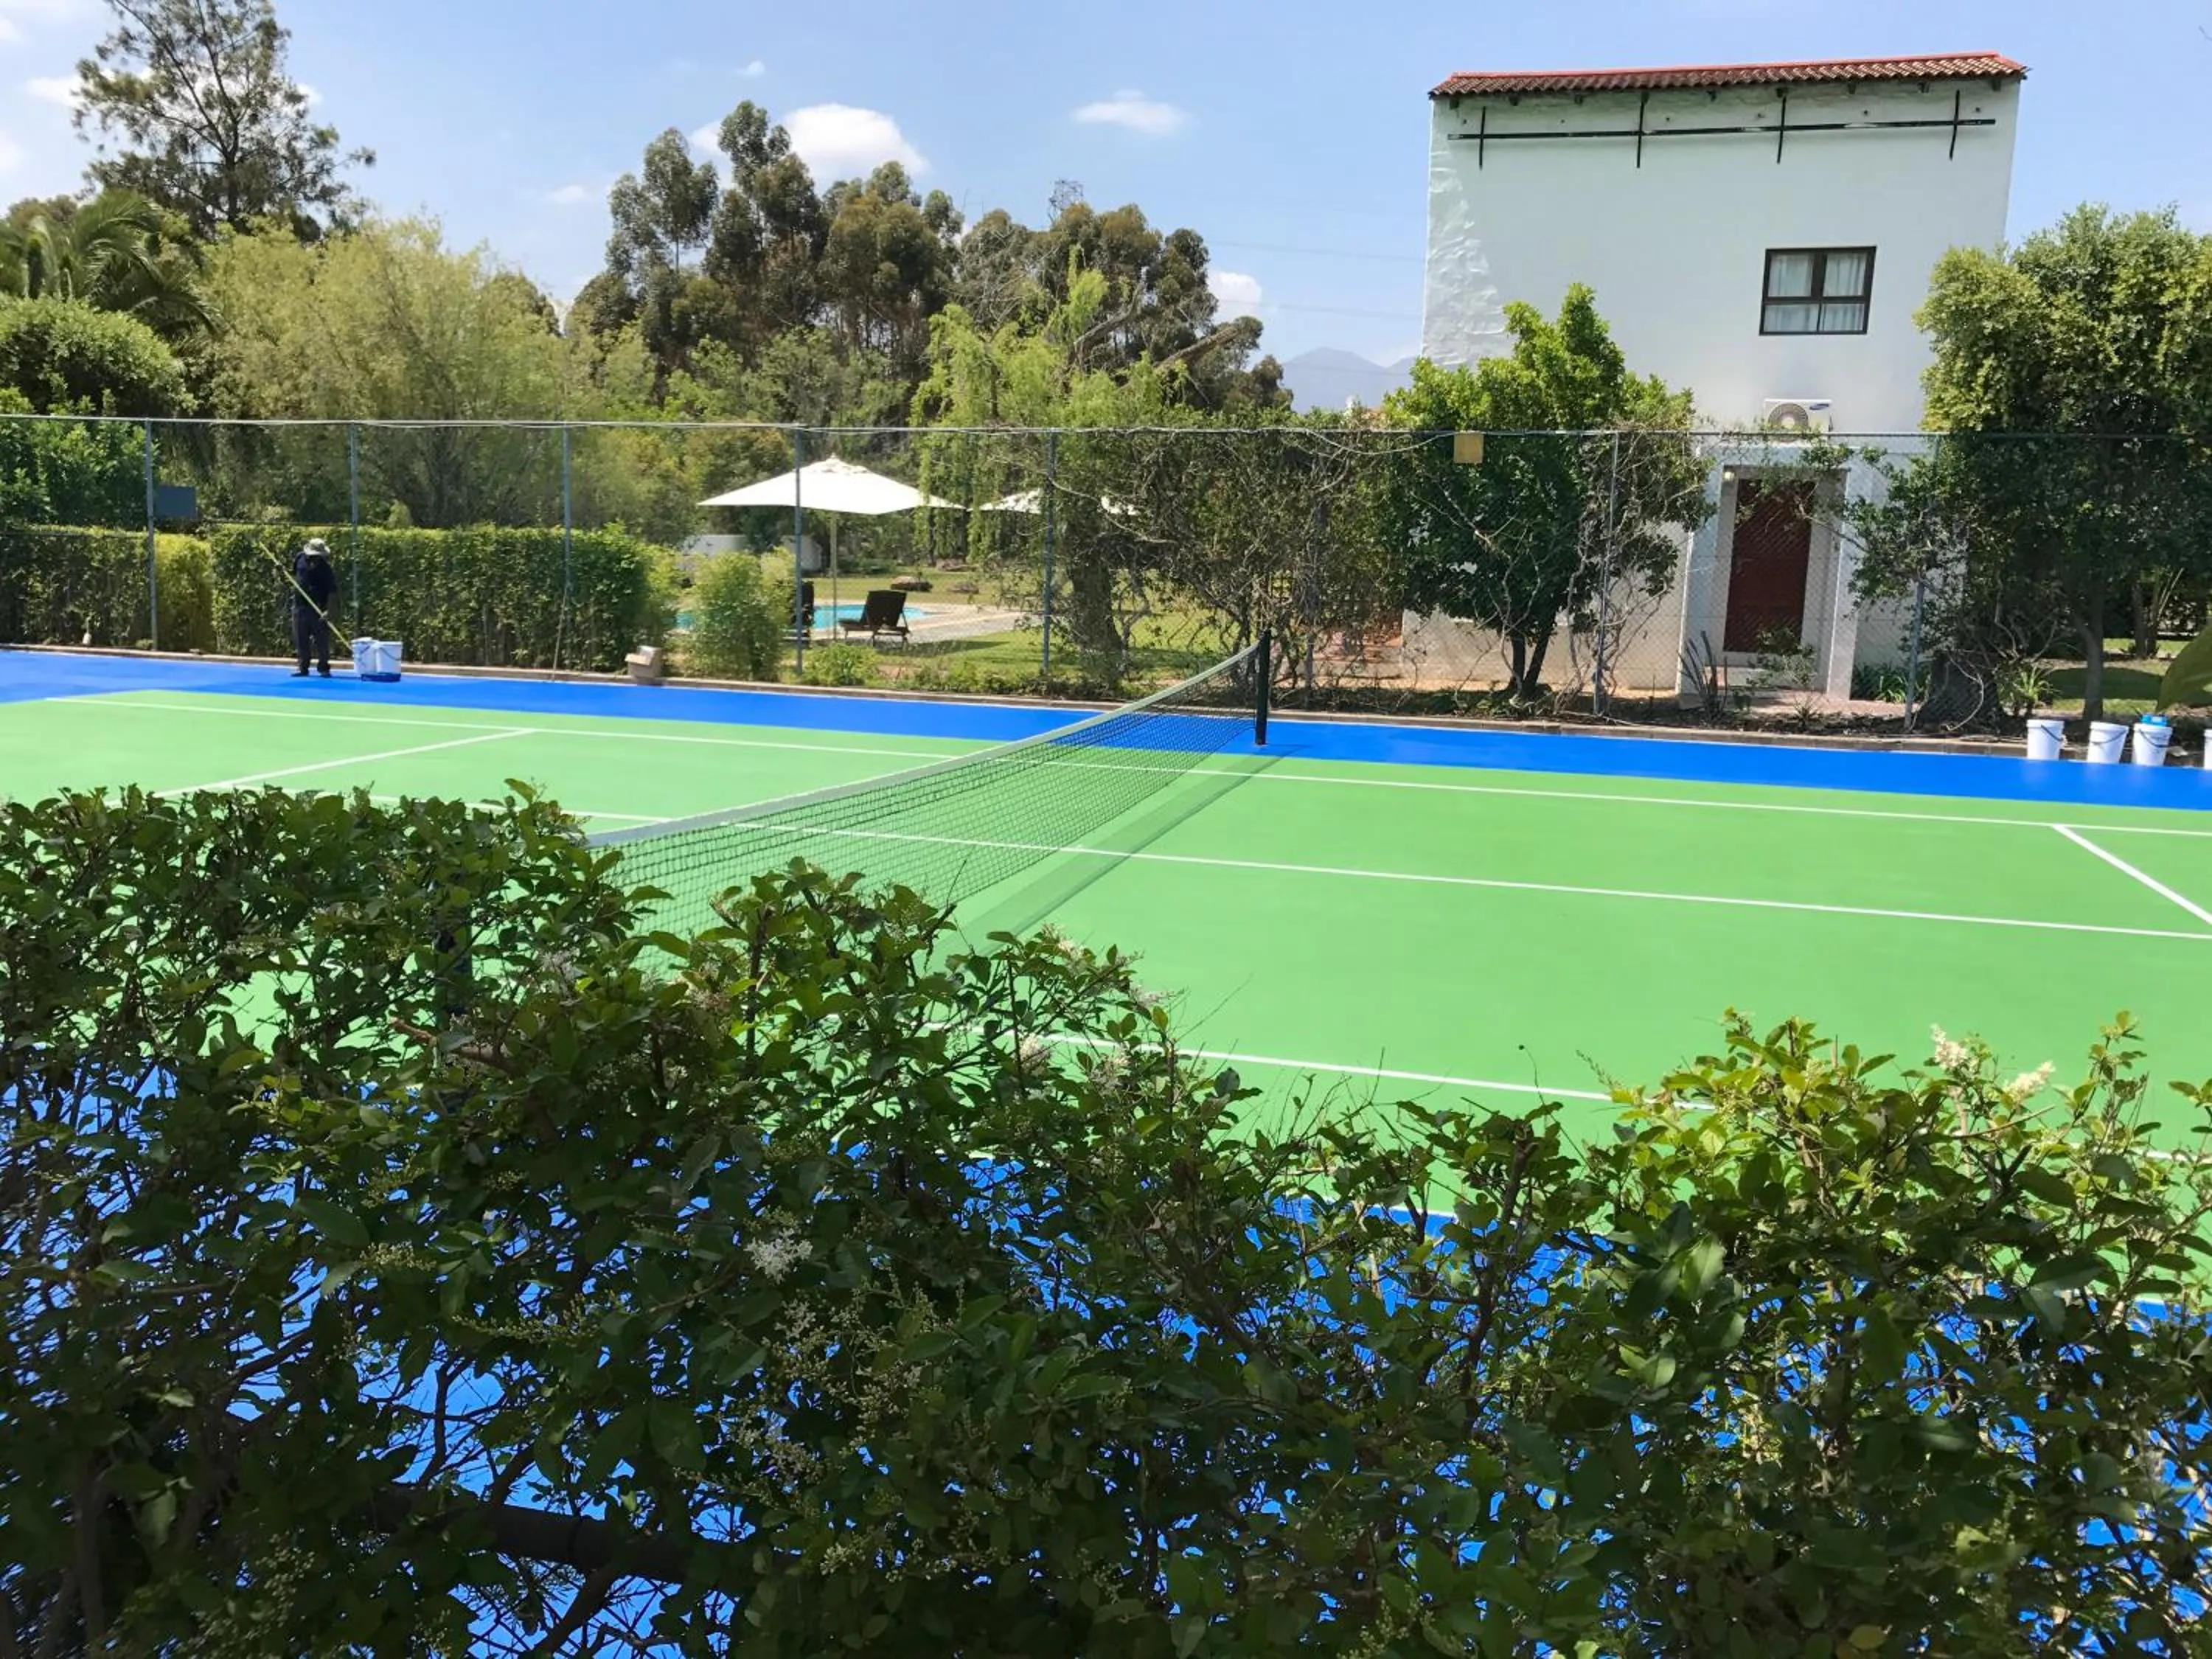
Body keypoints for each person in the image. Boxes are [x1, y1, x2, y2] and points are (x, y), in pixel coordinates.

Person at [291, 537, 338, 678]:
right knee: (301, 638)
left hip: (318, 608)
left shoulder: (325, 568)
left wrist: (328, 610)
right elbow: (294, 575)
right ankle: (302, 667)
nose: (317, 559)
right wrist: (281, 571)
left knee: (321, 639)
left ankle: (323, 667)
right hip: (299, 606)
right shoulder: (299, 559)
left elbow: (332, 591)